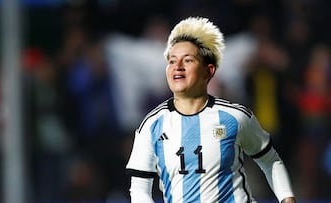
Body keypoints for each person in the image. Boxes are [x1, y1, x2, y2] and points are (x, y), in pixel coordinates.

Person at [125, 16, 296, 203]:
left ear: (208, 71)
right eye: (172, 61)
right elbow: (140, 187)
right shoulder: (151, 125)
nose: (177, 67)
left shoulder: (235, 117)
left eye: (187, 61)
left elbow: (270, 160)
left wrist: (287, 198)